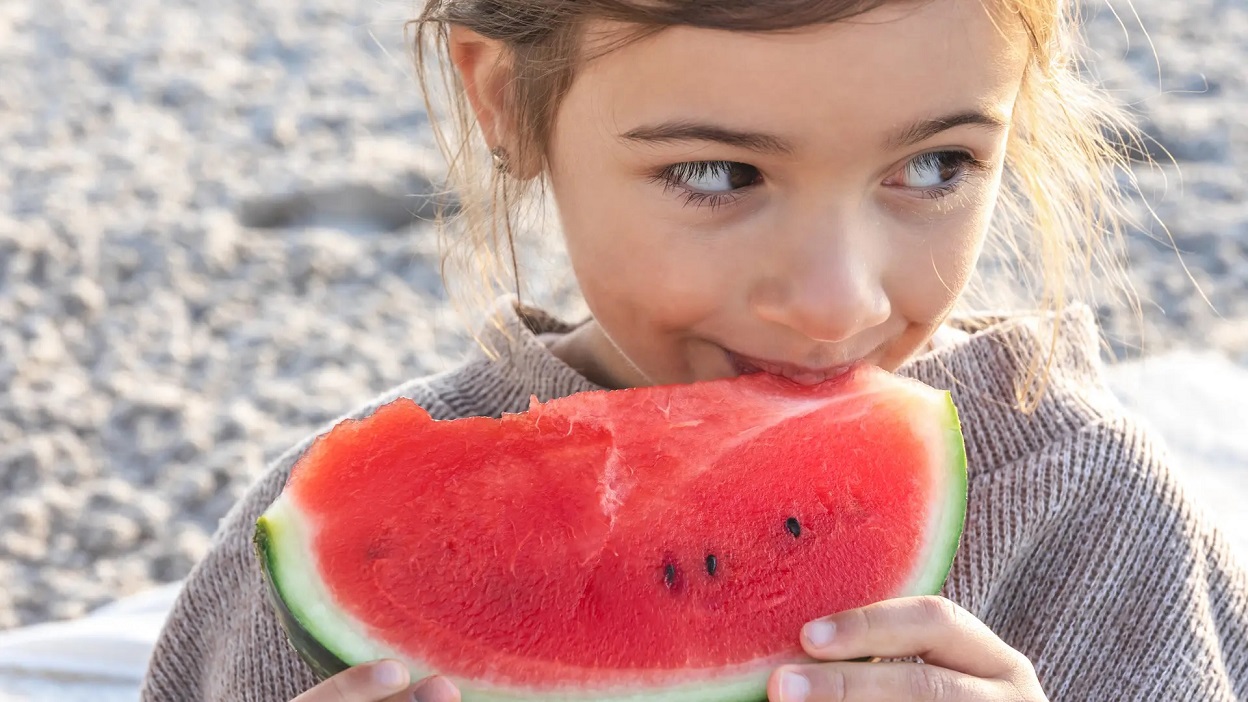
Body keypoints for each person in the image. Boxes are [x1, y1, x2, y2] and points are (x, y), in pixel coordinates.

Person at [140, 0, 1248, 700]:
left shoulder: (1099, 524)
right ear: (506, 100)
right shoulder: (314, 544)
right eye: (718, 175)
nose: (833, 301)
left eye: (936, 167)